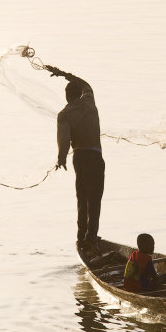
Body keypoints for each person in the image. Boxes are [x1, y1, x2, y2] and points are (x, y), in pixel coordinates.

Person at [46, 64, 105, 252]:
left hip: (79, 158)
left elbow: (63, 139)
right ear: (80, 93)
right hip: (95, 156)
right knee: (95, 198)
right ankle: (91, 237)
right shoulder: (89, 101)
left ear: (66, 96)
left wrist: (61, 158)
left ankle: (82, 237)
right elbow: (85, 83)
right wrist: (64, 74)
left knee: (82, 198)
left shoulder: (64, 115)